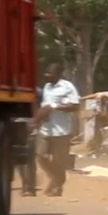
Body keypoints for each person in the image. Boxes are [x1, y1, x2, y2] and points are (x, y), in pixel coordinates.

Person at [33, 63, 80, 197]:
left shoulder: (67, 87)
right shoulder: (47, 87)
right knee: (41, 156)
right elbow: (43, 105)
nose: (47, 76)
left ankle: (57, 187)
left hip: (62, 130)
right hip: (46, 128)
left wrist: (54, 107)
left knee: (59, 160)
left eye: (50, 73)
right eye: (46, 73)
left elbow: (75, 106)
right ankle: (57, 178)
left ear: (58, 74)